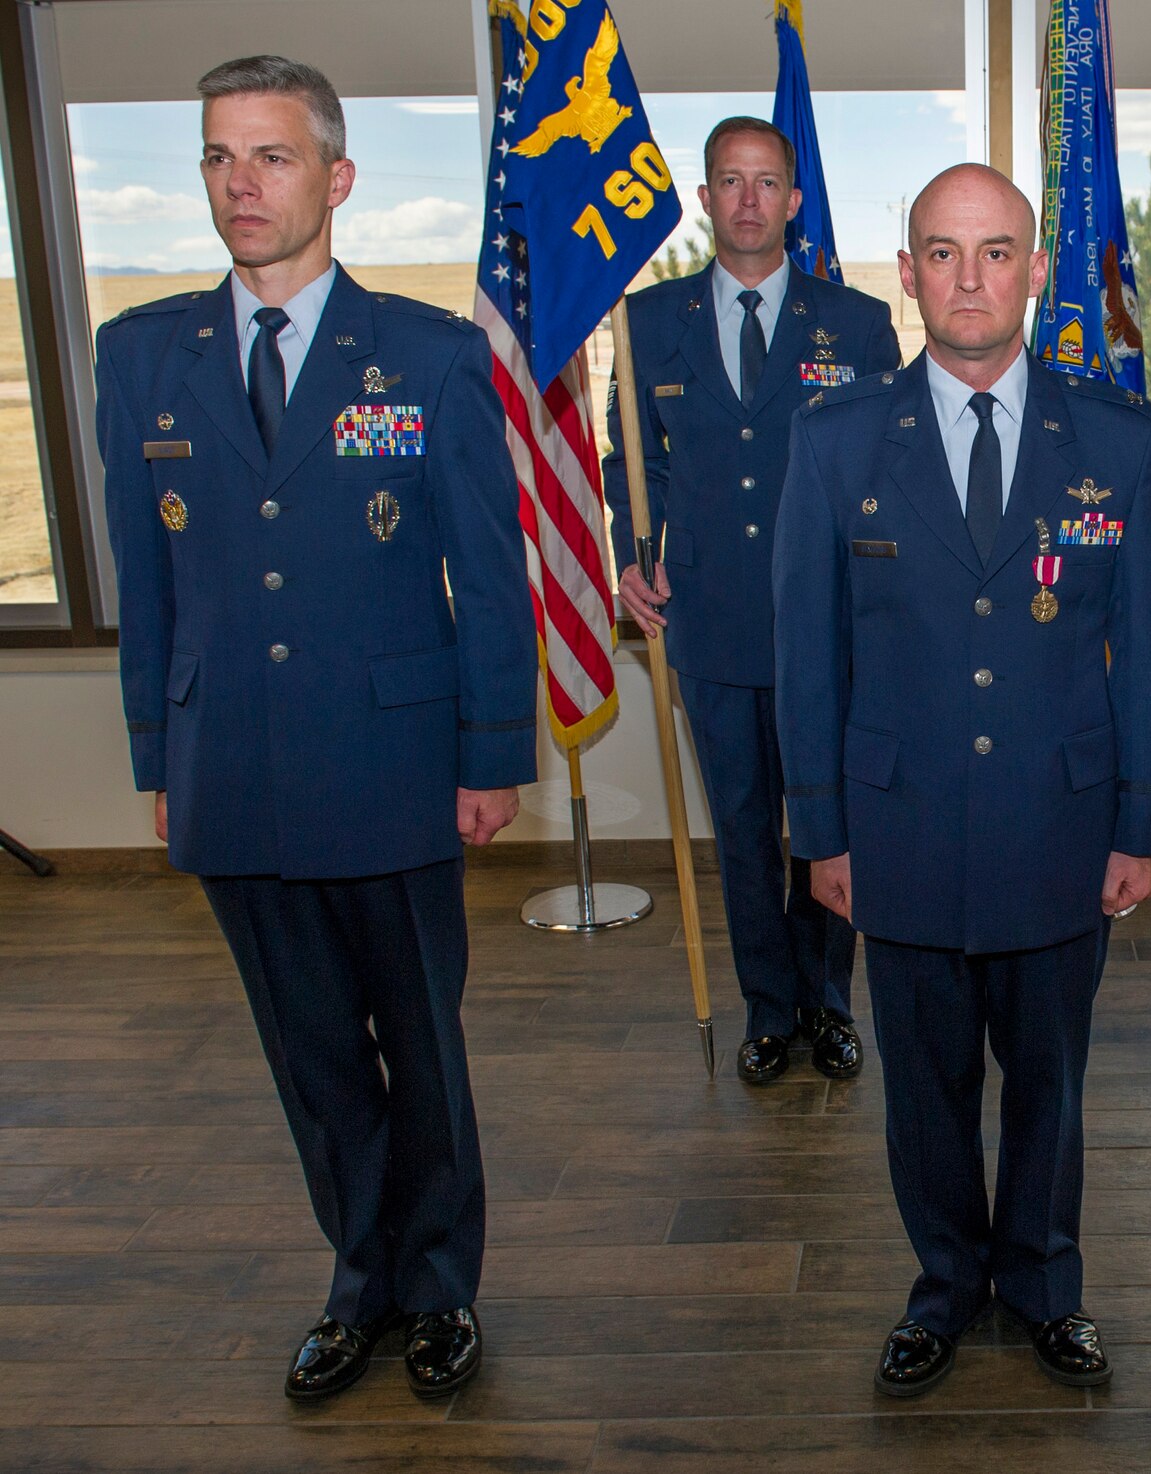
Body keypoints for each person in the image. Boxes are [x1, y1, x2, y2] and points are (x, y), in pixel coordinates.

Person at [97, 56, 537, 1401]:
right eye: (221, 157)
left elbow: (487, 569)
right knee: (313, 1060)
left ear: (335, 179)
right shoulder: (140, 354)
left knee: (423, 1046)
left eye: (271, 156)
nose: (243, 183)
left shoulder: (429, 356)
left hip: (394, 769)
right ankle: (363, 1280)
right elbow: (146, 578)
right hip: (231, 770)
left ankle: (444, 1287)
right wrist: (155, 759)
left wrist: (491, 752)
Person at [773, 163, 1151, 1396]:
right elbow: (809, 656)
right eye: (942, 254)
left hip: (1062, 824)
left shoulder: (1116, 438)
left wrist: (1141, 823)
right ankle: (946, 1285)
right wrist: (821, 833)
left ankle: (1046, 1285)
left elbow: (1148, 652)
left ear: (1035, 271)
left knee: (1051, 1082)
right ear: (904, 275)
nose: (968, 278)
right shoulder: (835, 438)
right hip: (893, 830)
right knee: (926, 1089)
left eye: (995, 251)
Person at [608, 117, 900, 1086]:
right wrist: (628, 555)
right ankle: (768, 1010)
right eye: (727, 182)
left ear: (792, 200)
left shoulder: (853, 324)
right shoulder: (647, 323)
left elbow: (887, 469)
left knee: (824, 824)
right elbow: (631, 459)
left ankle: (828, 1001)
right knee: (740, 829)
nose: (746, 200)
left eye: (764, 182)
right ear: (703, 199)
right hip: (709, 617)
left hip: (826, 625)